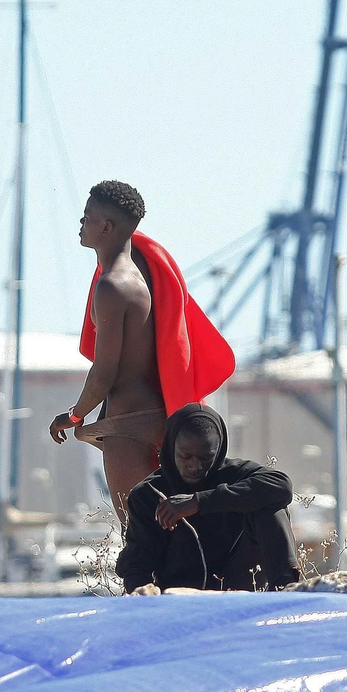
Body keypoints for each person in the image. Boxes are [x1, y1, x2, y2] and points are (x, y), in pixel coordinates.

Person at [49, 181, 234, 522]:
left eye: (87, 217)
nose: (81, 222)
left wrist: (75, 416)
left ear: (106, 227)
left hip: (128, 426)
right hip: (159, 416)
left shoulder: (112, 285)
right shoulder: (141, 271)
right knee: (166, 528)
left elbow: (105, 371)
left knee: (139, 534)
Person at [116, 404, 302, 592]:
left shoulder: (234, 474)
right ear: (171, 446)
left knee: (270, 503)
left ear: (219, 451)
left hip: (238, 582)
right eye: (185, 456)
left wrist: (199, 502)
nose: (195, 466)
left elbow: (282, 485)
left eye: (205, 458)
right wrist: (144, 602)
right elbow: (137, 566)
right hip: (181, 594)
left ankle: (284, 590)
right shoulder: (148, 494)